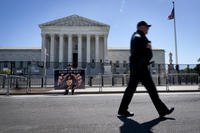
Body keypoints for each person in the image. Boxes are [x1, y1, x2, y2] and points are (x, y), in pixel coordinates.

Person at [118, 21, 174, 117]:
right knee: (151, 89)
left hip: (137, 67)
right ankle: (162, 110)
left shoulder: (136, 36)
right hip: (141, 68)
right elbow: (144, 51)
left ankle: (122, 109)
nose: (148, 29)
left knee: (131, 89)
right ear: (141, 27)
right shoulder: (139, 36)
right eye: (147, 27)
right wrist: (144, 58)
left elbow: (140, 52)